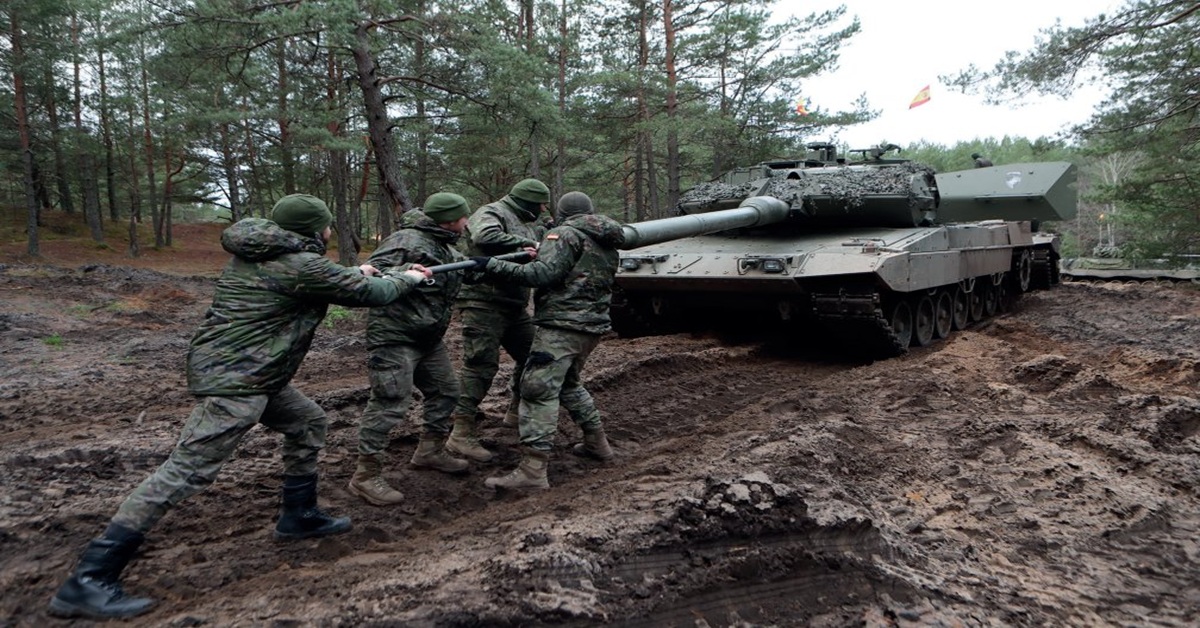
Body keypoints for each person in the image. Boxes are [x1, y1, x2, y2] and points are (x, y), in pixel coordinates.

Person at [48, 194, 431, 620]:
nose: (330, 231)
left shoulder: (267, 256)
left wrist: (355, 272)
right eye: (327, 225)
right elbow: (372, 294)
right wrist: (409, 277)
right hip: (238, 381)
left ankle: (298, 515)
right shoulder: (302, 265)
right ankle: (88, 579)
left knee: (307, 422)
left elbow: (329, 280)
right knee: (185, 471)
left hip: (254, 373)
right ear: (314, 230)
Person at [476, 191, 625, 490]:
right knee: (569, 383)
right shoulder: (607, 239)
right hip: (590, 326)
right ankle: (598, 444)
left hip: (561, 325)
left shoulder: (564, 234)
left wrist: (491, 265)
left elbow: (543, 273)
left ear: (562, 211)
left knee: (537, 388)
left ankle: (532, 470)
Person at [348, 193, 487, 506]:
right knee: (390, 402)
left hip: (428, 337)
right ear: (450, 219)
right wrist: (408, 270)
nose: (468, 223)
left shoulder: (447, 244)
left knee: (447, 391)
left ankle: (429, 451)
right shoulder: (406, 240)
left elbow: (454, 275)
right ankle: (366, 476)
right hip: (395, 336)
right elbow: (371, 273)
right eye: (464, 217)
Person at [450, 178, 550, 452]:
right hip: (484, 302)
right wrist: (527, 244)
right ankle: (461, 432)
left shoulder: (523, 218)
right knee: (480, 365)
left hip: (512, 304)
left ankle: (517, 411)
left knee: (534, 358)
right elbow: (485, 236)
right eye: (541, 204)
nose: (543, 209)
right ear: (528, 201)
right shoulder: (492, 212)